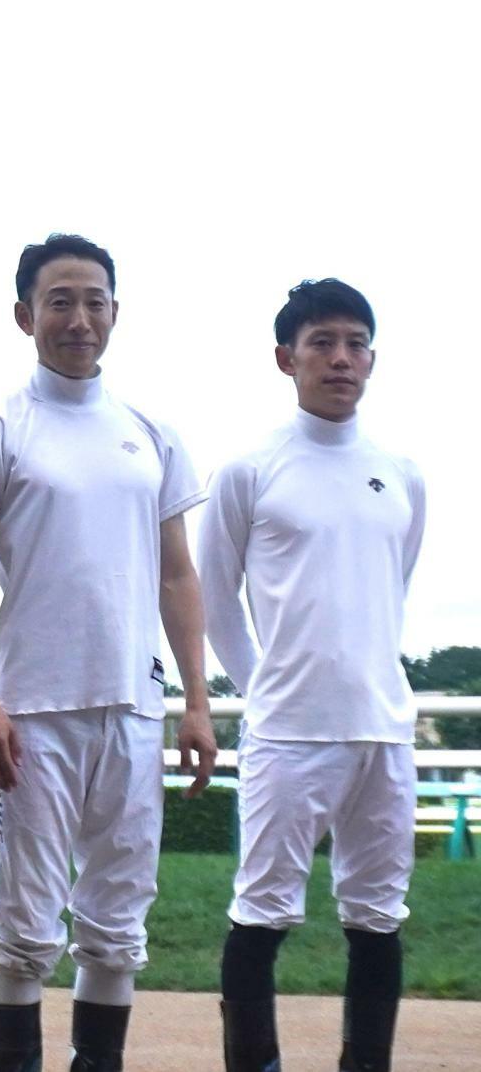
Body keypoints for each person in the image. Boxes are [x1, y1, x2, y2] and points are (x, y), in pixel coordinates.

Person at [0, 233, 218, 1072]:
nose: (78, 317)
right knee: (25, 927)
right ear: (25, 314)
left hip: (133, 708)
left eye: (94, 299)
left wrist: (196, 701)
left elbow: (177, 575)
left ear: (115, 313)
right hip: (31, 716)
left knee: (117, 925)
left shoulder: (151, 433)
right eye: (59, 300)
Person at [199, 280, 425, 1072]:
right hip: (289, 733)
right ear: (285, 357)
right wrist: (259, 687)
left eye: (355, 343)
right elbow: (213, 597)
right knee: (262, 913)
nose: (340, 358)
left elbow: (390, 586)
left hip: (384, 732)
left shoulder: (401, 474)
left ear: (372, 357)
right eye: (323, 342)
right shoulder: (251, 472)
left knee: (377, 917)